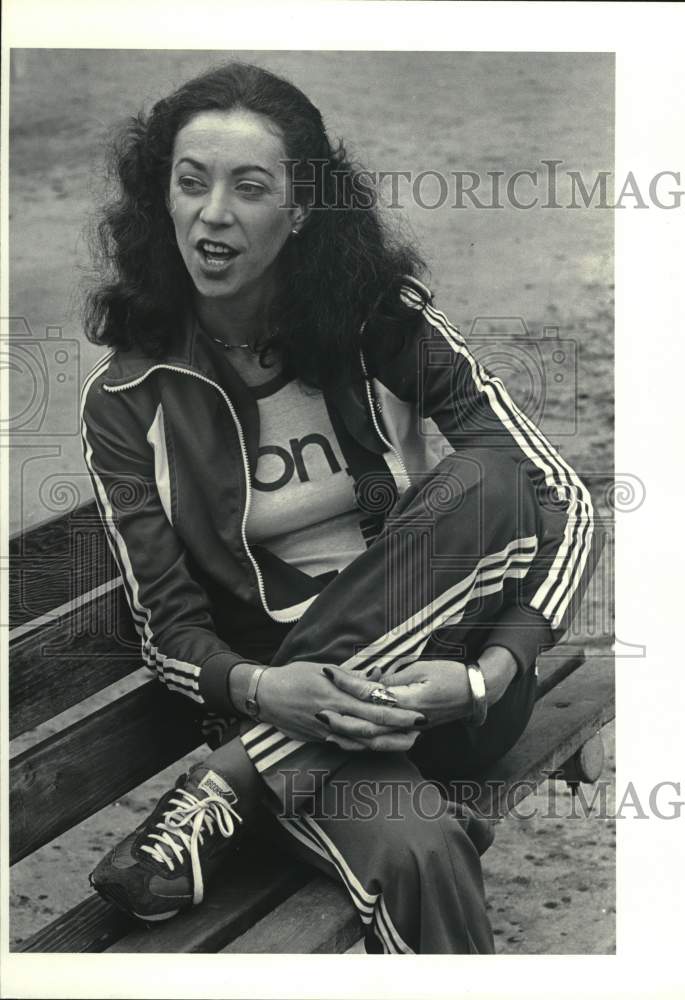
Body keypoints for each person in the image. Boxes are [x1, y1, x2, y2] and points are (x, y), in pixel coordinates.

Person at [79, 61, 593, 954]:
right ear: (160, 195)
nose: (212, 213)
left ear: (301, 207)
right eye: (191, 182)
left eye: (249, 187)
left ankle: (232, 787)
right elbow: (167, 630)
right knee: (423, 852)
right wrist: (266, 688)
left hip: (443, 689)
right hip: (289, 708)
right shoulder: (129, 400)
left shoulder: (382, 325)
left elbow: (563, 500)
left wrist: (490, 674)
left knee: (489, 479)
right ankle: (260, 768)